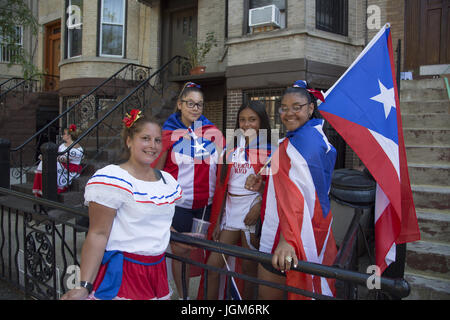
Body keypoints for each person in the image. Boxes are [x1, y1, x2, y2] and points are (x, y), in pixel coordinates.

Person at [60, 109, 182, 300]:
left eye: (157, 140)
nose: (153, 145)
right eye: (146, 138)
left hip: (157, 272)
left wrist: (177, 236)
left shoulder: (167, 181)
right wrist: (84, 285)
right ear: (129, 141)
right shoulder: (113, 179)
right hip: (124, 275)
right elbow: (98, 234)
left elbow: (153, 221)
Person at [246, 80, 338, 300]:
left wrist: (288, 239)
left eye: (297, 107)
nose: (289, 113)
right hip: (303, 225)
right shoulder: (311, 137)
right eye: (284, 108)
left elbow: (296, 195)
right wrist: (264, 188)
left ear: (310, 108)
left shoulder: (302, 143)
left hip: (289, 233)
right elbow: (298, 187)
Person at [153, 82, 223, 299]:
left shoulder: (213, 133)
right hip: (179, 206)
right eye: (190, 103)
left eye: (199, 105)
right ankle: (183, 297)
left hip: (206, 206)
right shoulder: (167, 135)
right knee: (181, 253)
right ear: (179, 104)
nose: (195, 108)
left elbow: (223, 168)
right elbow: (155, 174)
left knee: (205, 253)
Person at [203, 101, 272, 300]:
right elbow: (223, 186)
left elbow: (275, 188)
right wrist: (218, 220)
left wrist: (259, 207)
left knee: (250, 269)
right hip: (231, 212)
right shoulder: (231, 147)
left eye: (252, 119)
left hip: (251, 209)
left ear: (261, 122)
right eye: (242, 119)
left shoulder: (269, 149)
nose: (246, 124)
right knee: (212, 265)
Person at [32, 124, 83, 196]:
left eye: (64, 134)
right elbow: (56, 155)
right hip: (61, 164)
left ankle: (49, 189)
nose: (62, 136)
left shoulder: (77, 148)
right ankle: (40, 189)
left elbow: (65, 160)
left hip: (69, 168)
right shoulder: (63, 145)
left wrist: (48, 158)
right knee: (44, 162)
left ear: (69, 136)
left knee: (50, 163)